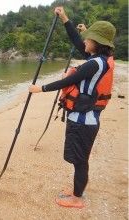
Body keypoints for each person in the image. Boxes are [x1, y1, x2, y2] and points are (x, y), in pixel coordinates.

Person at [29, 7, 116, 208]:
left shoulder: (93, 64)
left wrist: (39, 88)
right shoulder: (99, 60)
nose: (84, 41)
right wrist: (65, 19)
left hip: (84, 122)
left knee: (80, 161)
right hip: (86, 119)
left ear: (97, 43)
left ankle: (77, 198)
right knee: (80, 159)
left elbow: (69, 80)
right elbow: (78, 42)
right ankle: (78, 190)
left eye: (89, 38)